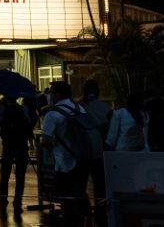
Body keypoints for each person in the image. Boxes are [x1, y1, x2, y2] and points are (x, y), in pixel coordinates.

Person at [42, 81, 90, 224]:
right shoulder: (80, 108)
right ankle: (84, 219)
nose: (49, 95)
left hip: (64, 161)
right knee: (80, 191)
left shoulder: (53, 114)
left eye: (50, 92)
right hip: (83, 157)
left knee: (66, 196)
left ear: (57, 94)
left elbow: (46, 141)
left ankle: (70, 219)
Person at [81, 80, 111, 227]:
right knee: (100, 184)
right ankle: (101, 211)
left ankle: (86, 211)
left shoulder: (80, 107)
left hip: (83, 150)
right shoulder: (105, 108)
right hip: (100, 150)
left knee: (81, 183)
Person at [0, 97, 33, 216]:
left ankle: (3, 200)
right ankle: (18, 202)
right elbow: (30, 123)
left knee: (5, 174)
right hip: (21, 144)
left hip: (8, 145)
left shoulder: (2, 109)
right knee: (20, 175)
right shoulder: (23, 109)